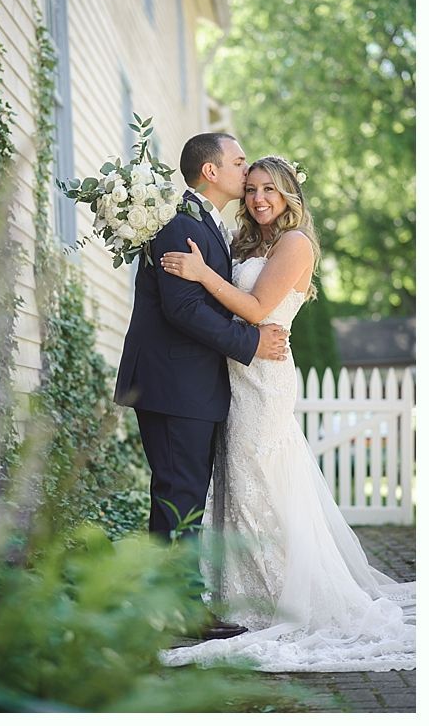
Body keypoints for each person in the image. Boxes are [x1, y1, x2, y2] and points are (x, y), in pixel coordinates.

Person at [158, 155, 415, 671]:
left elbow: (253, 310)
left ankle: (282, 600)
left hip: (264, 376)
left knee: (261, 483)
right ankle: (240, 593)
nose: (257, 199)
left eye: (269, 190)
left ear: (290, 194)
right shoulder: (250, 242)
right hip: (234, 372)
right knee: (237, 484)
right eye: (251, 188)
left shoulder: (296, 244)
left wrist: (202, 273)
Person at [114, 133, 288, 640]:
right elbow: (184, 308)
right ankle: (176, 613)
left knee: (182, 495)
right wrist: (249, 342)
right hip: (173, 385)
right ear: (210, 172)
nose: (245, 169)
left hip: (190, 386)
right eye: (237, 162)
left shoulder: (203, 224)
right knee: (179, 496)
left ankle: (170, 606)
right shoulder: (178, 225)